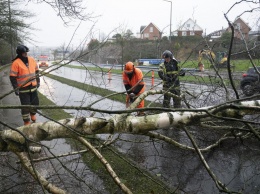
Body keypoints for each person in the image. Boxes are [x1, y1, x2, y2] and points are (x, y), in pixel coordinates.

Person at [9, 45, 40, 125]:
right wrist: (16, 88)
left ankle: (33, 114)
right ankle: (26, 121)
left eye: (26, 52)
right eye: (24, 53)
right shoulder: (16, 63)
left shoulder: (32, 60)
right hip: (23, 89)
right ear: (19, 53)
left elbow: (36, 71)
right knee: (25, 106)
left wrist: (38, 81)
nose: (25, 54)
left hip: (33, 87)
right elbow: (12, 77)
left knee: (35, 103)